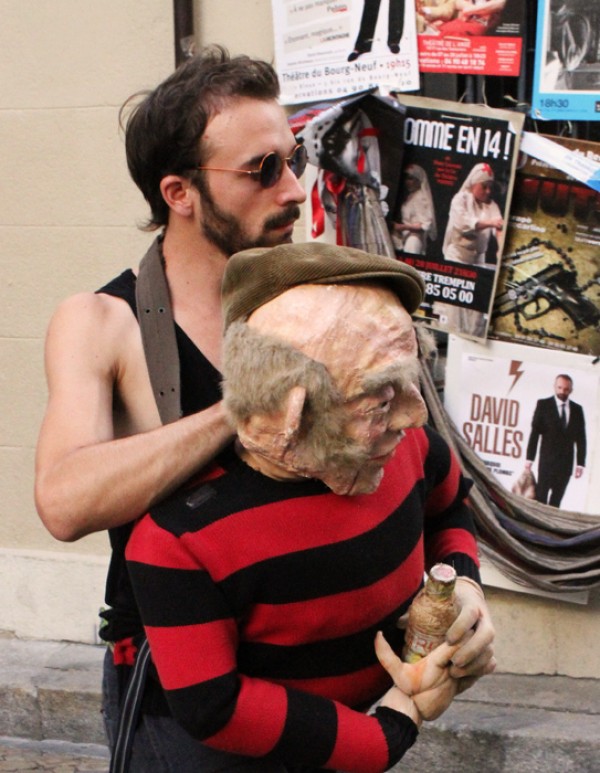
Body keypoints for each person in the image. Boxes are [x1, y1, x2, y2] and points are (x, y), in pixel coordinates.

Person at [33, 46, 307, 767]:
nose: (295, 189)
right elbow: (63, 500)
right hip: (183, 703)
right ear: (180, 193)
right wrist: (234, 411)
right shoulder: (102, 322)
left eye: (295, 159)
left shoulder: (306, 304)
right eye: (263, 170)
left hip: (312, 687)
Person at [126, 242, 496, 772]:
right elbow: (214, 706)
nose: (413, 418)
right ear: (291, 412)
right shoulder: (180, 541)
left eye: (406, 384)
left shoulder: (406, 450)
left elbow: (448, 506)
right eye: (380, 400)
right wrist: (394, 725)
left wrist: (463, 585)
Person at [436, 162, 503, 337]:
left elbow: (499, 227)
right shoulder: (460, 200)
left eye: (490, 187)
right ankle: (452, 339)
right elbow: (464, 225)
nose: (488, 191)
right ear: (474, 183)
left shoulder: (491, 205)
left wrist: (501, 247)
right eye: (484, 186)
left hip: (478, 259)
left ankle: (473, 339)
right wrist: (490, 223)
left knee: (477, 309)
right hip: (458, 256)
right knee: (455, 308)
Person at [525, 374, 586, 507]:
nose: (562, 391)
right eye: (559, 388)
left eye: (566, 389)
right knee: (540, 499)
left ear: (571, 390)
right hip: (546, 462)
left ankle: (550, 521)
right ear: (554, 387)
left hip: (565, 464)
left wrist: (580, 464)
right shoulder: (543, 405)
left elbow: (581, 438)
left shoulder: (577, 410)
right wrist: (530, 458)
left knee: (556, 501)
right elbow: (535, 433)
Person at [391, 164, 437, 255]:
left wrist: (402, 227)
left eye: (411, 179)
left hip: (414, 240)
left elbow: (424, 225)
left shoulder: (420, 197)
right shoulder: (411, 196)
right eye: (406, 178)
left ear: (418, 180)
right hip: (407, 237)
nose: (407, 182)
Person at [437, 0, 506, 37]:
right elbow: (457, 3)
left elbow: (501, 3)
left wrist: (471, 10)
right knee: (447, 29)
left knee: (456, 31)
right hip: (467, 21)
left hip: (486, 24)